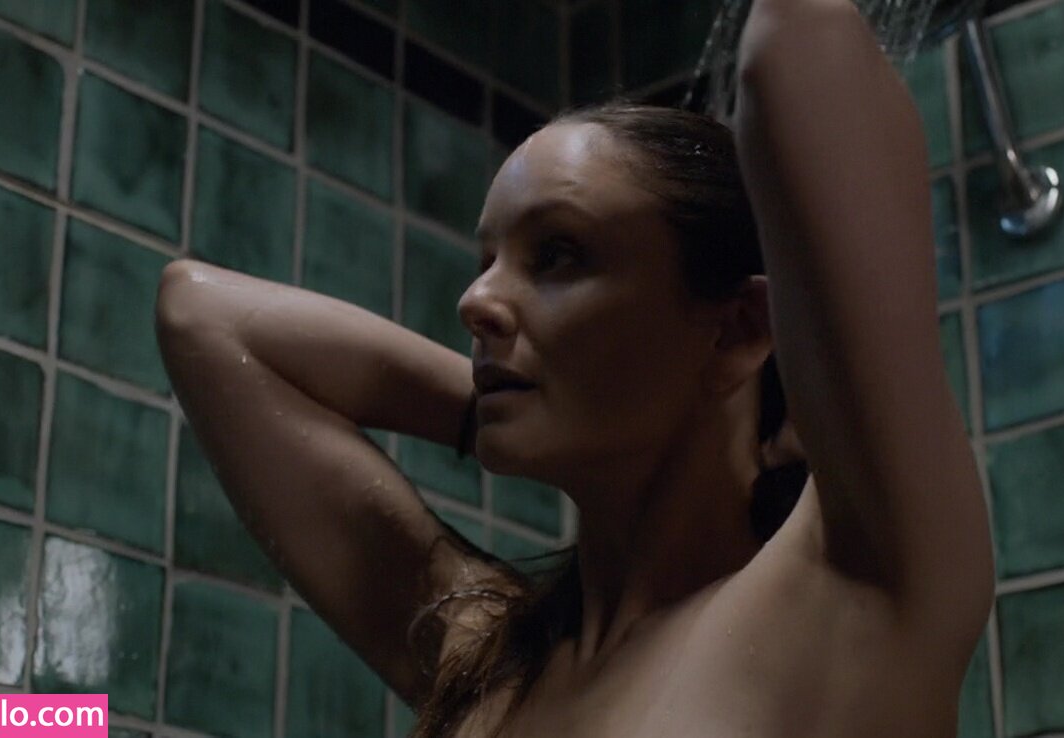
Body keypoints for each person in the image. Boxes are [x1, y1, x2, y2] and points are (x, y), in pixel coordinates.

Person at [155, 0, 996, 735]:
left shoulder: (853, 595)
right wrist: (499, 410)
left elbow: (800, 43)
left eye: (557, 255)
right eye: (487, 259)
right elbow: (201, 317)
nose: (476, 300)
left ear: (739, 331)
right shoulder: (484, 658)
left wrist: (531, 406)